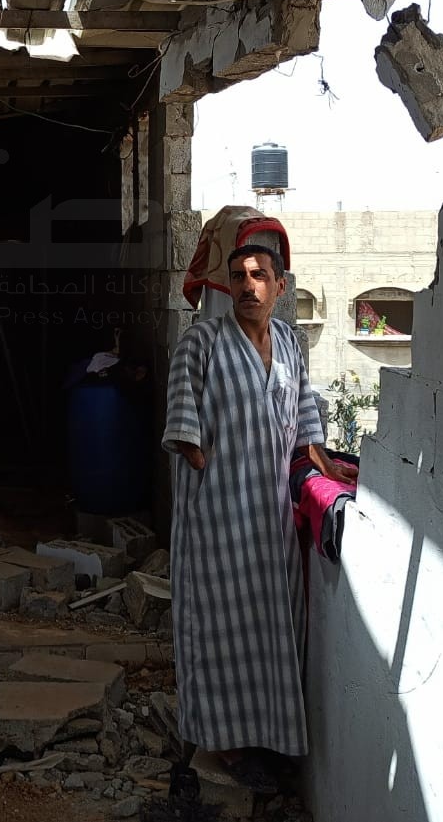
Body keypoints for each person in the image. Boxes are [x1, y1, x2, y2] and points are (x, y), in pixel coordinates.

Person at [161, 243, 358, 788]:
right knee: (218, 626)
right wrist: (218, 485)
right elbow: (185, 435)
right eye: (238, 276)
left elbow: (306, 421)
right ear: (228, 286)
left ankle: (268, 737)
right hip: (217, 518)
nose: (248, 285)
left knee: (272, 628)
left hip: (271, 522)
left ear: (280, 286)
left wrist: (327, 470)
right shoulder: (201, 342)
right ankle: (225, 743)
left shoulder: (292, 343)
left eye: (259, 275)